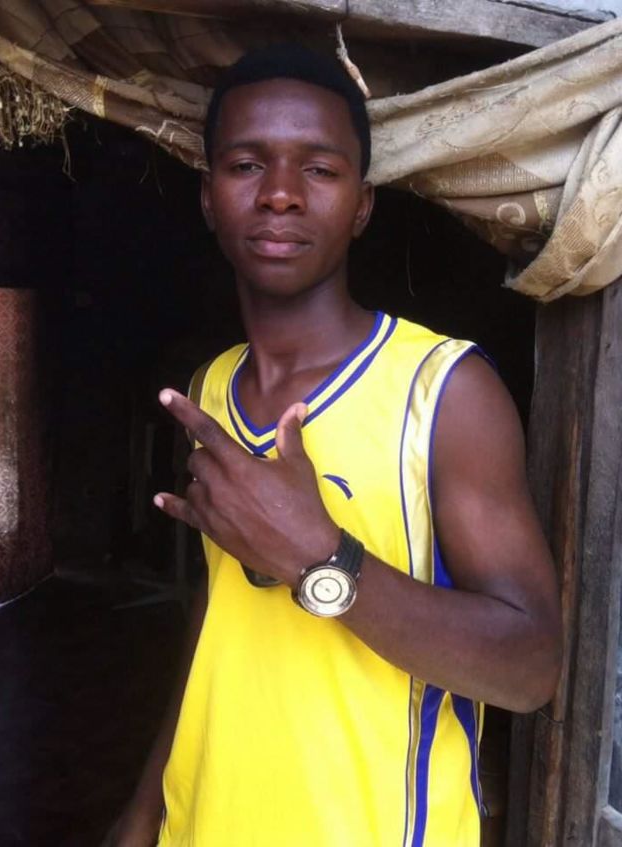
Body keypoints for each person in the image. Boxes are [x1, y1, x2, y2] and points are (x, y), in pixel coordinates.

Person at [108, 44, 562, 847]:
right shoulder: (211, 387)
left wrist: (322, 561)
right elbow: (220, 613)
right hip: (206, 818)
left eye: (319, 169)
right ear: (209, 197)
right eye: (247, 164)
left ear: (361, 205)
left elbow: (529, 668)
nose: (281, 193)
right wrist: (147, 810)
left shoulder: (443, 392)